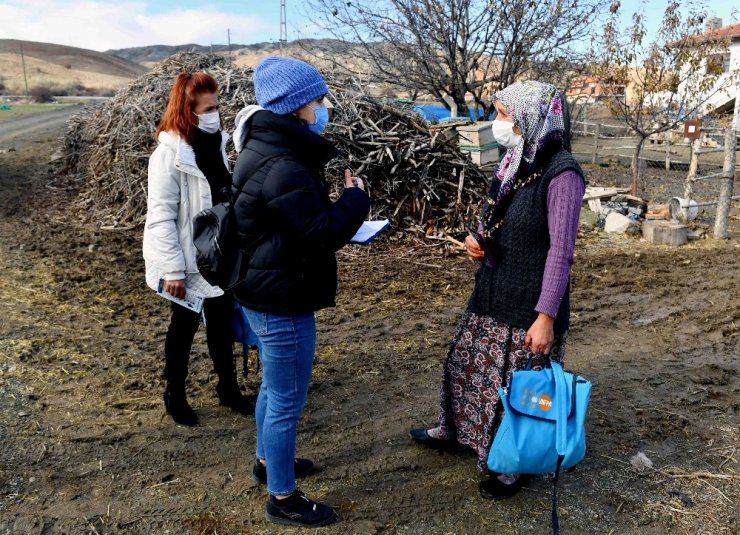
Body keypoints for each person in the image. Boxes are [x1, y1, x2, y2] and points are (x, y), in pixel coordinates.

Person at [410, 81, 586, 500]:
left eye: (504, 114)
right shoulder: (515, 161)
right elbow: (502, 222)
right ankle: (455, 430)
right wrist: (479, 241)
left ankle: (515, 465)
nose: (497, 123)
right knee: (466, 365)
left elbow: (561, 253)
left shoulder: (563, 174)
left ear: (529, 117)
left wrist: (545, 316)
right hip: (492, 291)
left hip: (529, 304)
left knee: (519, 390)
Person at [231, 57, 370, 528]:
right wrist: (355, 199)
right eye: (317, 99)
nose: (323, 106)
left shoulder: (262, 146)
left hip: (262, 288)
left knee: (274, 387)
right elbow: (321, 234)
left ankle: (269, 463)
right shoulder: (284, 164)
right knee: (287, 399)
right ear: (295, 106)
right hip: (281, 297)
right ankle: (284, 497)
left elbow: (294, 226)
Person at [143, 72, 252, 426]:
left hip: (216, 254)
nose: (215, 114)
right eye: (209, 108)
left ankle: (228, 388)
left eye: (217, 107)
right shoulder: (169, 154)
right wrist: (173, 269)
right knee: (183, 325)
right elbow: (161, 217)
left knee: (221, 322)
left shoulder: (216, 142)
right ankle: (175, 392)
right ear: (188, 110)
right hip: (186, 260)